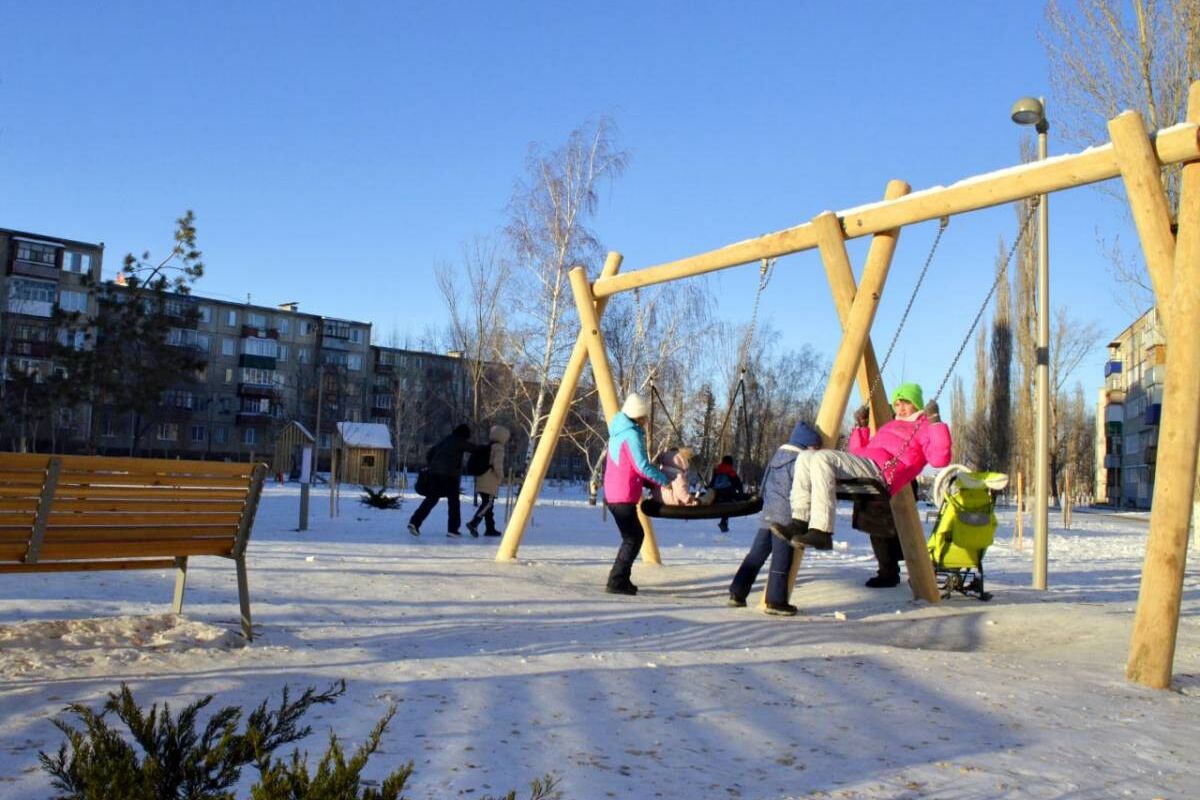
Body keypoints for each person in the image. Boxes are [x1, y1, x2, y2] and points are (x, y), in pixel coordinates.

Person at [772, 383, 952, 586]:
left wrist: (936, 423)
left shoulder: (925, 427)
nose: (900, 408)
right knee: (805, 456)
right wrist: (861, 427)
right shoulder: (890, 425)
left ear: (916, 403)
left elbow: (940, 459)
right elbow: (858, 452)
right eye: (898, 403)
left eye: (906, 403)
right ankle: (800, 520)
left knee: (822, 458)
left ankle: (821, 531)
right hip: (865, 465)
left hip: (882, 472)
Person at [728, 421, 823, 616]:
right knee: (782, 558)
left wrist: (762, 500)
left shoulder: (777, 457)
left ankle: (737, 592)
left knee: (756, 555)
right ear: (806, 445)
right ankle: (776, 600)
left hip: (769, 512)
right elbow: (802, 489)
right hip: (786, 516)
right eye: (815, 447)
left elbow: (763, 484)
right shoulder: (801, 461)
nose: (816, 451)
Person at [603, 392, 670, 596]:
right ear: (639, 415)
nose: (647, 420)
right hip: (622, 496)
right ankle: (616, 580)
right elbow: (641, 466)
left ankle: (620, 579)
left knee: (632, 536)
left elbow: (629, 466)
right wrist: (663, 480)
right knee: (633, 537)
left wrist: (650, 482)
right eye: (645, 416)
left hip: (615, 493)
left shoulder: (619, 431)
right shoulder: (631, 434)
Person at [407, 423, 484, 538]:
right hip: (449, 475)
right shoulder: (459, 441)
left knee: (431, 499)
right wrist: (487, 447)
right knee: (454, 502)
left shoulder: (445, 440)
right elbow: (474, 449)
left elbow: (430, 453)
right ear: (464, 435)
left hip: (434, 474)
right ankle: (453, 529)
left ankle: (414, 522)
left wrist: (433, 465)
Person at [466, 424, 510, 537]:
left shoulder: (487, 446)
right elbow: (497, 465)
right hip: (490, 478)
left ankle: (490, 528)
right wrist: (502, 477)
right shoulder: (499, 448)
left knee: (489, 505)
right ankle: (474, 523)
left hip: (481, 477)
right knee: (488, 503)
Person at [711, 455, 745, 533]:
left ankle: (724, 523)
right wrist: (741, 496)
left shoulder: (716, 470)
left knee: (725, 503)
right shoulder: (730, 471)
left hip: (716, 495)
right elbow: (738, 484)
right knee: (728, 505)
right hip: (727, 495)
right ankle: (724, 523)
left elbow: (712, 484)